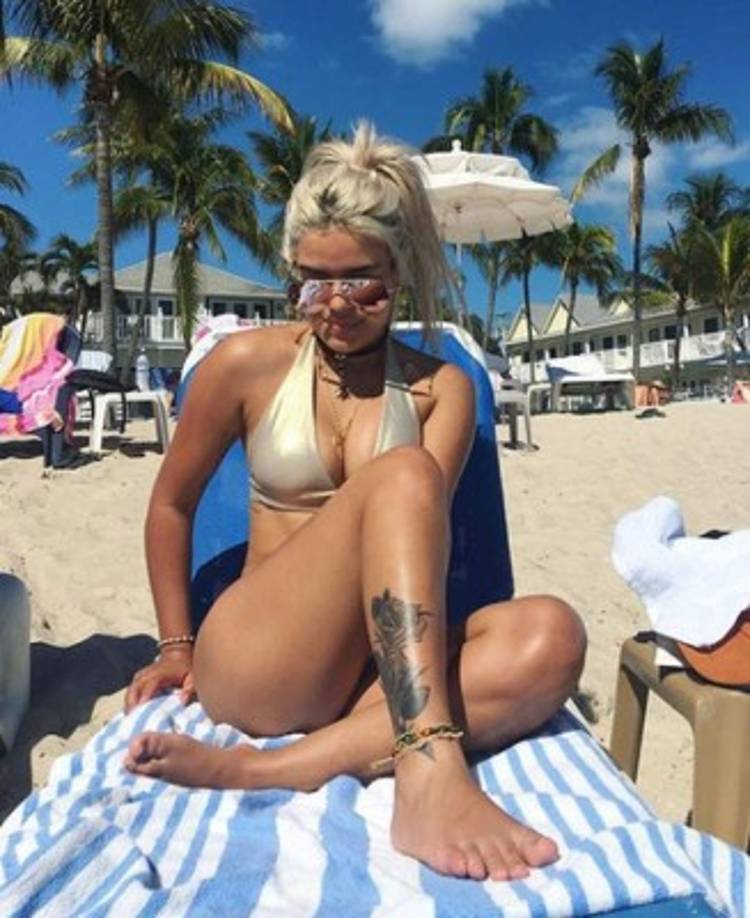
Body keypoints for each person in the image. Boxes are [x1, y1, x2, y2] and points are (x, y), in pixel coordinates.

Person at [123, 123, 586, 882]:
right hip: (262, 661)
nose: (334, 306)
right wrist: (176, 646)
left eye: (361, 283)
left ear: (399, 272)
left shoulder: (443, 388)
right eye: (311, 283)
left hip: (377, 677)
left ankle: (263, 770)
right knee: (405, 475)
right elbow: (172, 504)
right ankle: (430, 764)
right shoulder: (245, 366)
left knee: (550, 636)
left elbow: (422, 541)